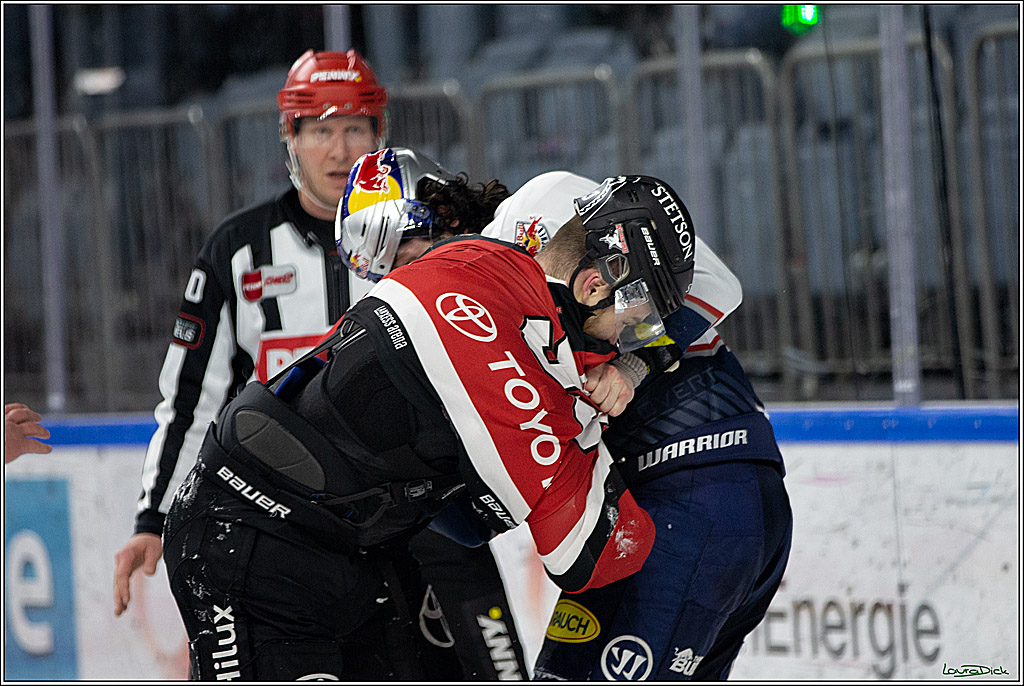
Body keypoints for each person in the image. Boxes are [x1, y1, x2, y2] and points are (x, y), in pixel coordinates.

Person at [160, 173, 696, 680]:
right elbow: (596, 554)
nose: (639, 332)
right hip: (251, 540)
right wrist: (588, 419)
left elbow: (467, 519)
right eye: (641, 314)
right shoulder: (501, 364)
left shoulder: (489, 261)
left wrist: (620, 371)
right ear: (596, 283)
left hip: (354, 548)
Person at [112, 50, 526, 679]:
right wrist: (153, 515)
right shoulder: (236, 249)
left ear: (378, 136)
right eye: (321, 130)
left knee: (496, 669)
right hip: (290, 522)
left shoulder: (425, 239)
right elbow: (192, 398)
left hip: (422, 514)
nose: (338, 150)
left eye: (355, 129)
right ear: (292, 139)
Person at [482, 171, 793, 680]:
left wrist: (635, 362)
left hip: (690, 493)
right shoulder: (482, 307)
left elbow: (716, 283)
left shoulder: (540, 211)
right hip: (697, 497)